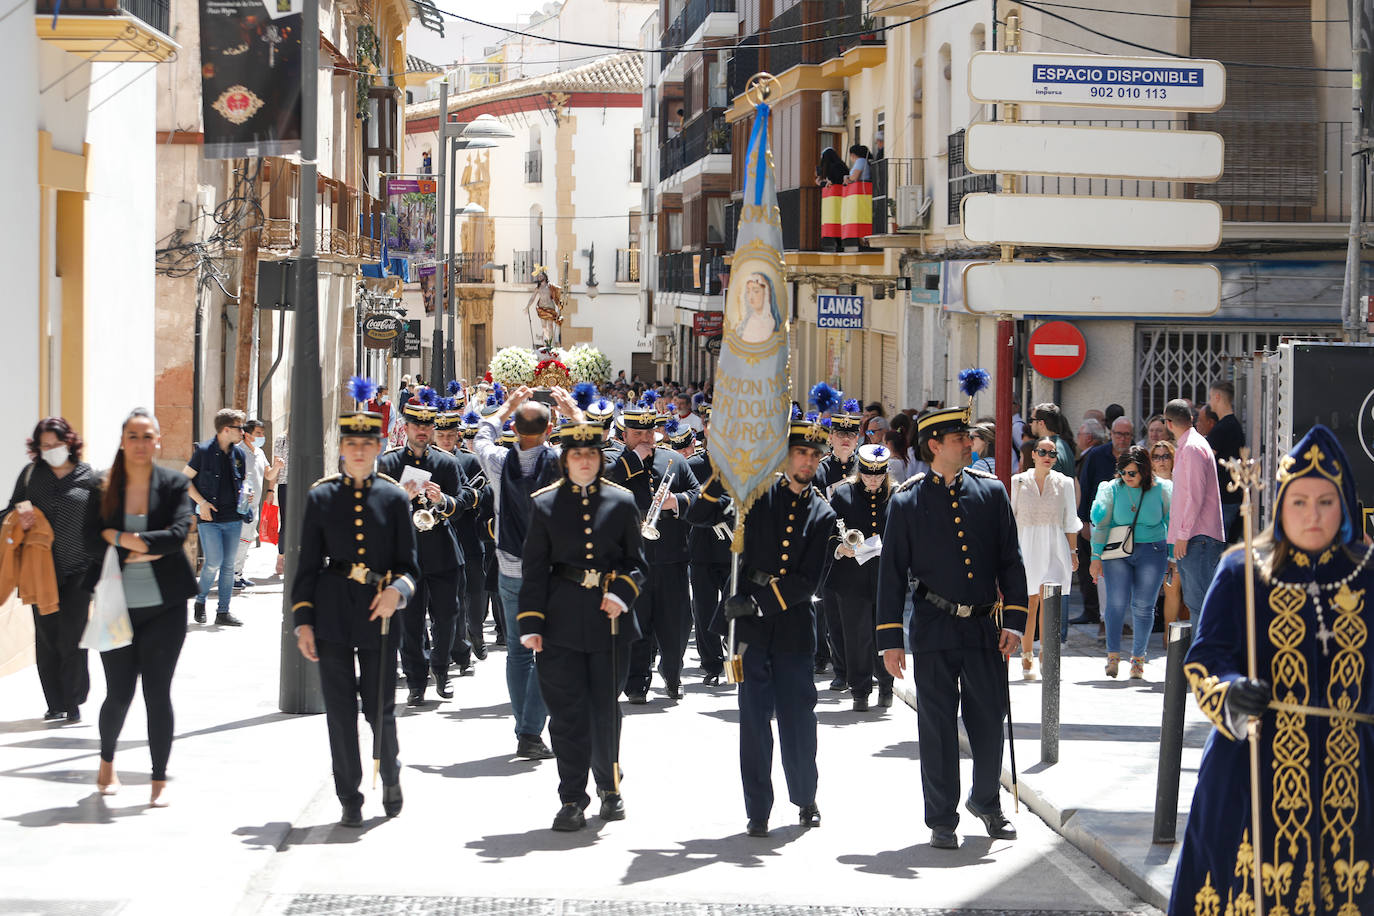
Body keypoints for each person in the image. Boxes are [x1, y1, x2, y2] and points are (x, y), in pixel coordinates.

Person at [1168, 425, 1374, 916]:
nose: (1313, 514)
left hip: (1353, 770)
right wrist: (1231, 692)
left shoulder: (1368, 573)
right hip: (1254, 766)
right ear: (1281, 505)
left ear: (1344, 504)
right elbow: (1206, 657)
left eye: (1325, 501)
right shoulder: (1243, 569)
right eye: (1299, 501)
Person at [876, 397, 1027, 851]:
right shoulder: (906, 501)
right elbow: (891, 574)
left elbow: (1010, 562)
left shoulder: (991, 491)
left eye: (968, 437)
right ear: (934, 445)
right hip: (934, 626)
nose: (969, 443)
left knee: (988, 719)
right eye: (961, 438)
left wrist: (1015, 623)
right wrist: (890, 641)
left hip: (984, 627)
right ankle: (942, 817)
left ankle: (985, 800)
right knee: (938, 726)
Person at [689, 411, 836, 837]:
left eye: (814, 454)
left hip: (790, 626)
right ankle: (758, 808)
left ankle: (805, 797)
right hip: (749, 630)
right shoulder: (756, 493)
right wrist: (721, 475)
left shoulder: (823, 515)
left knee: (798, 718)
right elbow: (699, 515)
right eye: (800, 453)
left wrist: (755, 604)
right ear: (785, 455)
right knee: (753, 720)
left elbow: (808, 581)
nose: (807, 461)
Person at [292, 391, 419, 828]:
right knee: (340, 709)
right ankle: (349, 793)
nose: (360, 451)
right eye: (352, 444)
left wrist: (396, 592)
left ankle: (390, 771)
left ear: (380, 447)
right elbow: (306, 564)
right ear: (342, 448)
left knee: (378, 705)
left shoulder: (394, 498)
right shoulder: (322, 497)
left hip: (380, 613)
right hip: (331, 613)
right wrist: (302, 621)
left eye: (368, 444)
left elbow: (410, 566)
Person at [518, 419, 647, 830]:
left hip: (610, 622)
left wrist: (622, 592)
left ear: (599, 458)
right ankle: (572, 798)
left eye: (591, 454)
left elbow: (638, 564)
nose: (585, 461)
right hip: (560, 623)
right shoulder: (543, 504)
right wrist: (531, 623)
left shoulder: (622, 502)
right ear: (565, 460)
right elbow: (534, 570)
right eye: (577, 455)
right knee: (567, 715)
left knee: (604, 710)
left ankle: (610, 787)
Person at [88, 408, 198, 807]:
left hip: (165, 608)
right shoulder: (103, 487)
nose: (139, 443)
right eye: (132, 436)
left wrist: (121, 539)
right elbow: (90, 540)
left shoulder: (171, 484)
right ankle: (106, 762)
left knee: (157, 693)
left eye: (146, 435)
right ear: (122, 441)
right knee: (118, 693)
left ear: (158, 442)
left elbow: (177, 533)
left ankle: (157, 779)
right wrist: (132, 543)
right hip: (117, 607)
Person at [475, 385, 583, 761]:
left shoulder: (498, 461)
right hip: (549, 573)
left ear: (515, 431)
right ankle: (529, 731)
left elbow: (481, 434)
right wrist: (572, 411)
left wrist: (507, 406)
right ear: (550, 429)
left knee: (518, 654)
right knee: (547, 653)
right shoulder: (558, 460)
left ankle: (526, 729)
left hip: (508, 566)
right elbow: (589, 447)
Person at [378, 391, 477, 706]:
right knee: (410, 622)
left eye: (427, 426)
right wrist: (400, 499)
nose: (423, 431)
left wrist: (442, 501)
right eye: (416, 426)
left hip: (443, 551)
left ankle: (442, 671)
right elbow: (376, 508)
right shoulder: (389, 462)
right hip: (406, 555)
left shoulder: (446, 462)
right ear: (406, 427)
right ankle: (417, 682)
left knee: (447, 616)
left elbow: (462, 502)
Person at [603, 397, 699, 702]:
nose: (646, 440)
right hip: (632, 559)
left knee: (677, 624)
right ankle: (636, 683)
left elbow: (699, 494)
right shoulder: (615, 463)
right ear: (624, 436)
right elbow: (602, 487)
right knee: (637, 624)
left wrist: (678, 502)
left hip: (672, 556)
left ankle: (672, 673)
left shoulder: (674, 460)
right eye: (638, 435)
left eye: (649, 434)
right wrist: (633, 461)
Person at [5, 417, 101, 722]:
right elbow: (12, 507)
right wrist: (22, 515)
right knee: (47, 638)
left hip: (79, 570)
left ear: (70, 443)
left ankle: (74, 700)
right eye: (45, 446)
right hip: (40, 570)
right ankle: (55, 702)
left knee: (72, 636)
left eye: (56, 444)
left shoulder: (89, 476)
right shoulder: (32, 475)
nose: (51, 450)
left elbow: (100, 521)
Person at [1089, 446, 1172, 679]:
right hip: (1117, 551)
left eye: (1133, 473)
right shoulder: (1112, 489)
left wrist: (1173, 557)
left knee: (1144, 606)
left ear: (1145, 472)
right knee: (1115, 603)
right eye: (1123, 472)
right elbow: (1101, 525)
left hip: (1153, 549)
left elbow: (1170, 521)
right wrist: (1095, 557)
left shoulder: (1162, 490)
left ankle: (1138, 660)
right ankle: (1112, 657)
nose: (1127, 477)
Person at [827, 444, 894, 710]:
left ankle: (887, 685)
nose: (873, 480)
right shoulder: (843, 494)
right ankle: (860, 690)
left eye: (878, 476)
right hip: (851, 577)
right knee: (856, 635)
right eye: (868, 475)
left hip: (885, 578)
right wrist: (840, 547)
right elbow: (828, 530)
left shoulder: (895, 495)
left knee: (885, 633)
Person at [1010, 437, 1080, 678]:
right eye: (1043, 452)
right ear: (1033, 454)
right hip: (1026, 546)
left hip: (1055, 546)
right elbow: (1010, 519)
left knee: (1049, 602)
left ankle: (1045, 655)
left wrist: (1073, 551)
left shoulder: (1065, 483)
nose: (1048, 457)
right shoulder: (1018, 482)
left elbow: (1071, 520)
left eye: (1052, 453)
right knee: (1030, 602)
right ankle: (1026, 654)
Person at [184, 408, 248, 627]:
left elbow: (243, 482)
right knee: (213, 563)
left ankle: (223, 611)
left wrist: (246, 498)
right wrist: (201, 503)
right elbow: (185, 480)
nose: (243, 432)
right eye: (240, 428)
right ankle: (200, 601)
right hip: (209, 518)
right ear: (226, 429)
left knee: (228, 565)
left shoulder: (239, 454)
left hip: (234, 517)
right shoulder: (203, 451)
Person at [1164, 399, 1225, 623]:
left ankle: (1202, 658)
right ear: (1191, 418)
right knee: (1197, 605)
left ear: (1168, 423)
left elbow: (1195, 496)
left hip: (1197, 538)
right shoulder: (1190, 445)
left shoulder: (1191, 447)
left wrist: (1183, 534)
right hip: (1197, 538)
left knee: (1199, 606)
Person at [815, 393, 861, 689]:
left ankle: (861, 668)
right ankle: (841, 670)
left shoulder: (868, 466)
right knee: (831, 612)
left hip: (863, 551)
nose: (846, 439)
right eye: (840, 433)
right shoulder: (820, 469)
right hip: (830, 551)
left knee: (858, 615)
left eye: (851, 434)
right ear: (831, 437)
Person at [1070, 417, 1130, 626]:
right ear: (1110, 434)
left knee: (1124, 575)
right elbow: (1085, 488)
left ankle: (1119, 620)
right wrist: (1084, 521)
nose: (1122, 439)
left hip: (1128, 526)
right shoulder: (1097, 455)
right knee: (1101, 575)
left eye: (1126, 435)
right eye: (1118, 434)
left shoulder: (1135, 458)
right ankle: (1104, 618)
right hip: (1100, 524)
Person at [684, 409, 727, 687]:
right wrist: (709, 522)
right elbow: (690, 501)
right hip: (701, 547)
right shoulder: (694, 464)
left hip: (734, 549)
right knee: (704, 608)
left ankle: (736, 659)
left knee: (735, 608)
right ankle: (711, 664)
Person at [1149, 440, 1187, 643]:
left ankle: (1169, 638)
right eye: (1156, 457)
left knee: (1173, 590)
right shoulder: (1147, 484)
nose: (1161, 461)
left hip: (1175, 543)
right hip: (1151, 542)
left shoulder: (1181, 483)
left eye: (1166, 456)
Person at [232, 418, 271, 590]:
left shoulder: (259, 453)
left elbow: (268, 474)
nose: (262, 436)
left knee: (246, 540)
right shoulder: (238, 452)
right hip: (242, 505)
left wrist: (278, 467)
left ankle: (239, 574)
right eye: (258, 433)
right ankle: (233, 576)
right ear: (247, 434)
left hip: (254, 505)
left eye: (262, 433)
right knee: (241, 540)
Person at [1206, 380, 1245, 542]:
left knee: (1217, 547)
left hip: (1224, 500)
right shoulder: (1234, 425)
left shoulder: (1221, 429)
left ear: (1217, 397)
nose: (1209, 403)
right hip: (1232, 498)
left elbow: (1205, 461)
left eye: (1210, 397)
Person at [1028, 403, 1076, 477]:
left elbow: (1049, 485)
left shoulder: (1048, 451)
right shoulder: (1064, 445)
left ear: (1041, 423)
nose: (1030, 424)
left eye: (1032, 420)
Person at [815, 147, 848, 252]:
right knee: (840, 221)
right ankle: (840, 243)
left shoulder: (834, 167)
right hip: (842, 198)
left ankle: (838, 244)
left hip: (836, 199)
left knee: (835, 221)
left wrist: (821, 183)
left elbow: (832, 183)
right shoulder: (842, 165)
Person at [841, 144, 872, 249]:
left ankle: (863, 241)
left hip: (860, 193)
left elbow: (854, 177)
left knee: (859, 217)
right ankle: (863, 241)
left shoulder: (860, 161)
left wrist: (847, 179)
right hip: (860, 193)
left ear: (853, 154)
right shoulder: (864, 161)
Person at [272, 429, 290, 577]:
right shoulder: (281, 439)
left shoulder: (307, 436)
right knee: (285, 523)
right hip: (285, 484)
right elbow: (276, 465)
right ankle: (281, 556)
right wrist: (270, 491)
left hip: (303, 485)